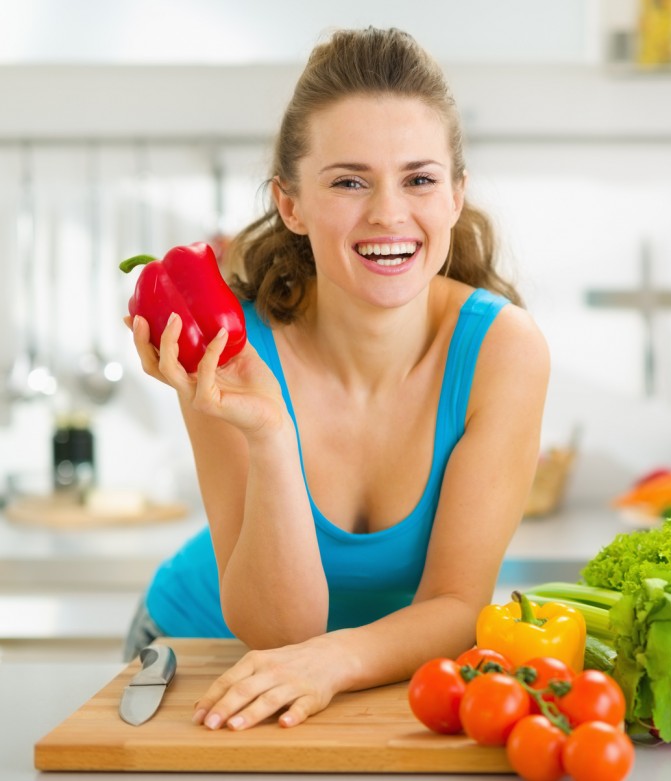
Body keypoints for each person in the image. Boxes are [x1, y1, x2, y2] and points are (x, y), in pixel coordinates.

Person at [123, 26, 549, 731]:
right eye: (349, 181)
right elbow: (279, 632)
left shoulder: (503, 351)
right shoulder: (228, 345)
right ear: (291, 204)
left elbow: (455, 602)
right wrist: (268, 434)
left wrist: (335, 660)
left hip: (364, 678)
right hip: (197, 658)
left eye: (419, 179)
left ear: (455, 197)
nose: (388, 212)